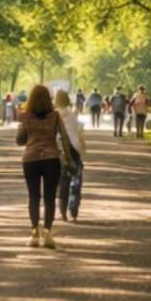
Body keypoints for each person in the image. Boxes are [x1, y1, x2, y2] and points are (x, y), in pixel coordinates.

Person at [16, 83, 73, 249]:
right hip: (51, 159)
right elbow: (64, 138)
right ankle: (47, 233)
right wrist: (68, 159)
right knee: (49, 198)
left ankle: (34, 233)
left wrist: (30, 134)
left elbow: (20, 140)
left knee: (33, 197)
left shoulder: (25, 116)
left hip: (31, 159)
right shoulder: (55, 116)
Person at [54, 89, 86, 222]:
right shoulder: (73, 116)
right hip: (74, 150)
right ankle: (74, 204)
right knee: (76, 176)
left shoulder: (53, 115)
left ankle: (62, 210)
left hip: (59, 150)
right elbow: (79, 133)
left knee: (62, 181)